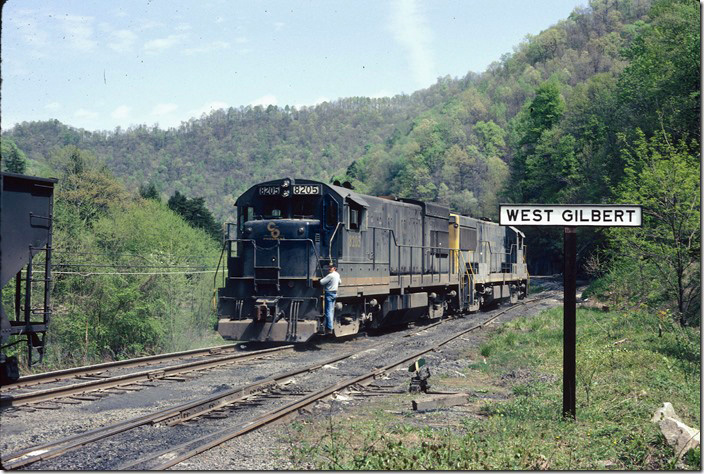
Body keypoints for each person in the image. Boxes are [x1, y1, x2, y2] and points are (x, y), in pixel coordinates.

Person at [318, 264, 341, 335]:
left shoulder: (330, 275)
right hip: (334, 293)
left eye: (330, 267)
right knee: (331, 310)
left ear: (334, 268)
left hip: (329, 294)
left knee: (328, 311)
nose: (329, 268)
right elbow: (340, 282)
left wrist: (321, 279)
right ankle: (330, 326)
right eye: (329, 267)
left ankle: (329, 328)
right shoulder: (337, 274)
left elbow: (321, 282)